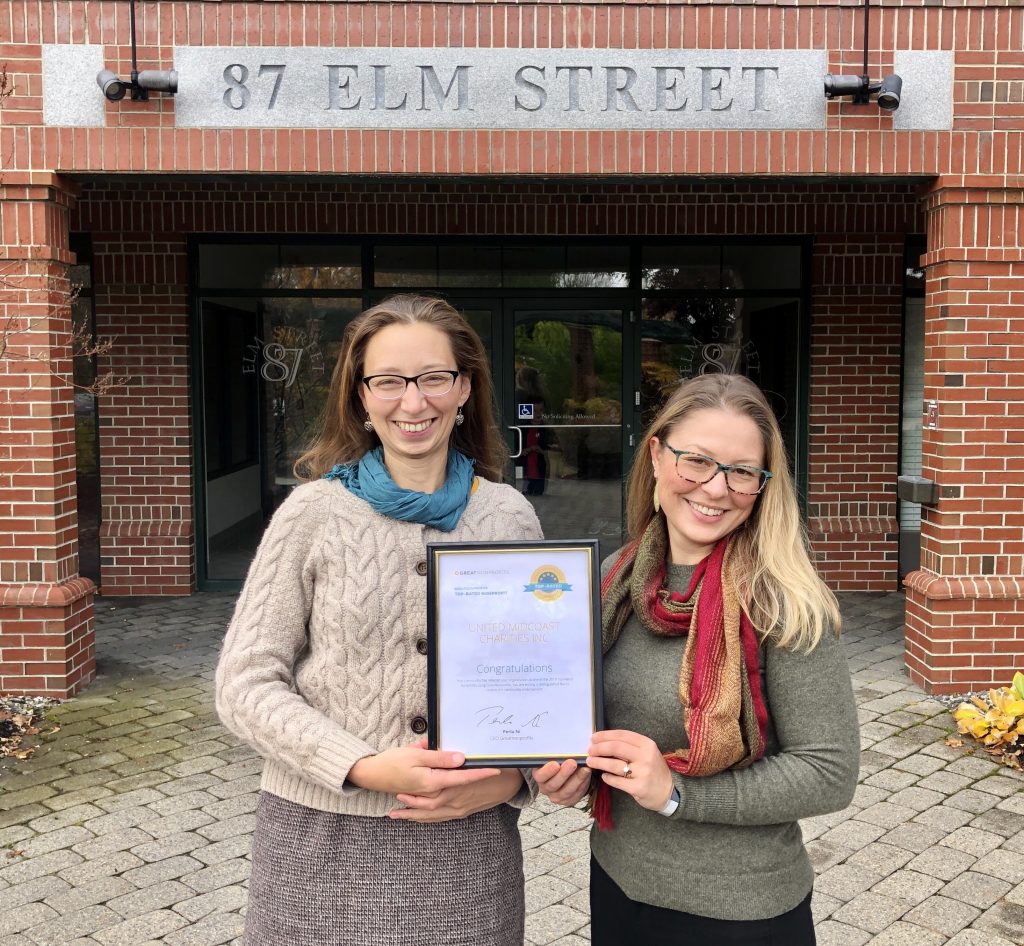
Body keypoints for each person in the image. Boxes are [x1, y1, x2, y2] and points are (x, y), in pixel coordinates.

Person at [215, 295, 543, 946]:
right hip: (317, 842)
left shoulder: (508, 518)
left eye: (433, 378)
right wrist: (361, 765)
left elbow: (538, 680)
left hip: (466, 846)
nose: (412, 402)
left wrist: (514, 777)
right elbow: (245, 684)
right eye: (388, 381)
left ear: (464, 388)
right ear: (361, 397)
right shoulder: (311, 515)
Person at [534, 373, 859, 945]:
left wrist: (680, 794)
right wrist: (574, 772)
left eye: (741, 472)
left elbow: (828, 773)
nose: (715, 488)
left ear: (762, 485)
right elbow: (597, 725)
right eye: (697, 461)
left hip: (741, 909)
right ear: (657, 457)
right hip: (619, 881)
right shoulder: (614, 582)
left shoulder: (783, 602)